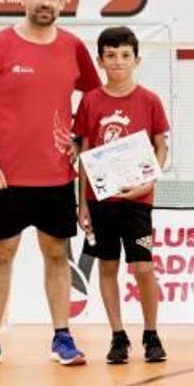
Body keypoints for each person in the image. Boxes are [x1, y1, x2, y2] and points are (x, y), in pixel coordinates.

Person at [0, 0, 101, 370]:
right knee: (0, 254)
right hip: (5, 176)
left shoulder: (73, 47)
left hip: (57, 175)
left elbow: (93, 101)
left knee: (57, 253)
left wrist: (78, 138)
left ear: (63, 2)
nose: (44, 2)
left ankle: (62, 337)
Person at [73, 25, 171, 364]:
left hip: (138, 203)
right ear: (100, 61)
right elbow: (85, 151)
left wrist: (148, 182)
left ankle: (151, 333)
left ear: (137, 59)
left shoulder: (150, 100)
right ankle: (117, 336)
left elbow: (161, 147)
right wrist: (82, 202)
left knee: (143, 268)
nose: (118, 62)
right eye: (110, 56)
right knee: (107, 267)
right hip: (102, 204)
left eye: (125, 55)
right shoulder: (90, 101)